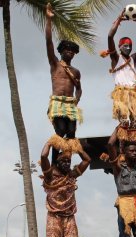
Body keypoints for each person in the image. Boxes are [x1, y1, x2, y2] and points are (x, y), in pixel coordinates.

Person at [40, 139, 91, 237]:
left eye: (69, 161)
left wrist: (77, 147)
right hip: (54, 217)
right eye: (64, 161)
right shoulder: (50, 175)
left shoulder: (72, 175)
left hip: (69, 217)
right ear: (56, 162)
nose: (67, 164)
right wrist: (51, 142)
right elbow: (43, 157)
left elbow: (87, 160)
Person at [102, 12, 136, 142]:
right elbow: (110, 36)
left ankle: (131, 147)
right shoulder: (115, 58)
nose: (128, 48)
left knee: (134, 124)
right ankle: (121, 148)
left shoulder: (133, 58)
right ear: (119, 47)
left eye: (130, 46)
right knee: (124, 122)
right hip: (121, 93)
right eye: (125, 46)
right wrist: (118, 20)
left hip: (134, 93)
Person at [45, 3, 83, 156]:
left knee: (71, 133)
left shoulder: (76, 72)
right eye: (67, 50)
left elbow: (79, 89)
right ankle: (54, 162)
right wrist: (49, 20)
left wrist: (76, 100)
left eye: (72, 51)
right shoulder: (55, 64)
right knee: (60, 131)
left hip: (70, 104)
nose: (70, 52)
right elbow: (48, 42)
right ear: (61, 51)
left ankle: (66, 160)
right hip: (57, 102)